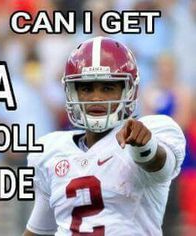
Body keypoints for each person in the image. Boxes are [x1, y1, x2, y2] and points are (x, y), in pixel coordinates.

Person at [23, 37, 186, 236]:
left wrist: (145, 146)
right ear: (71, 92)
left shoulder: (153, 130)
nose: (96, 97)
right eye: (86, 88)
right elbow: (39, 230)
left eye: (107, 88)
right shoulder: (51, 151)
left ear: (128, 91)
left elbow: (161, 166)